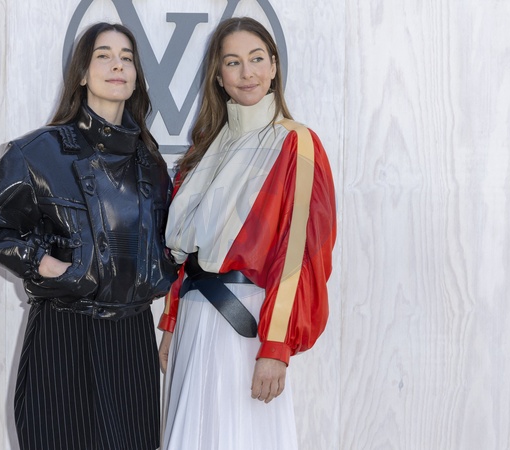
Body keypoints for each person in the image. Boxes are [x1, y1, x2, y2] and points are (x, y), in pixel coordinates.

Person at [0, 22, 175, 450]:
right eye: (103, 56)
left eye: (127, 58)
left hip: (132, 336)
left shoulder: (150, 163)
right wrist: (42, 261)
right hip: (64, 331)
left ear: (136, 78)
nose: (117, 65)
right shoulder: (39, 152)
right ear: (82, 74)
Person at [158, 16, 337, 450]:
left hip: (248, 324)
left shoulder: (296, 144)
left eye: (257, 59)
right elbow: (188, 255)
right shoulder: (204, 150)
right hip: (194, 322)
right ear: (219, 77)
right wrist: (171, 324)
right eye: (233, 62)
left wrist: (276, 346)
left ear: (274, 66)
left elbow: (298, 253)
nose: (247, 73)